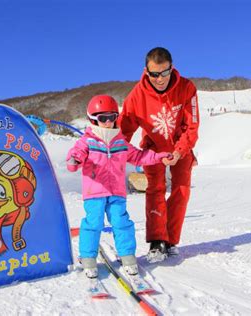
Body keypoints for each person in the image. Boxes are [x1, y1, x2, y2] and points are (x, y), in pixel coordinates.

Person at [66, 95, 171, 279]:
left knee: (122, 223)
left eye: (112, 117)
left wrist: (158, 157)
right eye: (102, 118)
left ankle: (127, 255)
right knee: (93, 223)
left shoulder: (120, 142)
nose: (108, 122)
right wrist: (74, 160)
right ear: (92, 119)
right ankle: (88, 257)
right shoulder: (87, 141)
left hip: (116, 192)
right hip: (94, 192)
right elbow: (76, 155)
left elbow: (138, 157)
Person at [119, 47, 200, 263]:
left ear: (171, 68)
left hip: (179, 147)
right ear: (146, 72)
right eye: (154, 74)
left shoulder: (187, 88)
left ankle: (171, 240)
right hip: (153, 148)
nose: (160, 79)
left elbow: (191, 126)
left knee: (181, 191)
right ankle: (157, 241)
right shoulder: (137, 95)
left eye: (164, 73)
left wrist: (179, 151)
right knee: (155, 189)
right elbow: (123, 129)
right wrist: (111, 151)